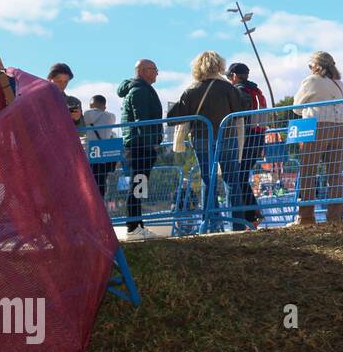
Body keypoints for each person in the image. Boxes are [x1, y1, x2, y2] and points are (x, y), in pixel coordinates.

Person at [168, 51, 247, 230]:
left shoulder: (191, 90)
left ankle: (211, 222)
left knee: (207, 179)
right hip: (227, 136)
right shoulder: (228, 88)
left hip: (201, 138)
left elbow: (173, 117)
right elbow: (241, 110)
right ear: (219, 65)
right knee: (231, 179)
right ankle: (238, 224)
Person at [292, 51, 343, 225]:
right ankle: (335, 217)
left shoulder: (312, 81)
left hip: (316, 124)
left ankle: (306, 216)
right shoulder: (338, 83)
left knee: (308, 171)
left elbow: (296, 106)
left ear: (316, 66)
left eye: (310, 66)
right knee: (335, 173)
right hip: (340, 124)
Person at [118, 59, 163, 240]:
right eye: (154, 69)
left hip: (139, 145)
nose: (157, 73)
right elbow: (141, 120)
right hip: (140, 146)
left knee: (139, 185)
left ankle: (138, 226)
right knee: (137, 184)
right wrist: (151, 142)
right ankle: (133, 227)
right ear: (143, 71)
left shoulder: (139, 89)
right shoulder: (140, 91)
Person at [227, 63, 266, 228]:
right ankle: (253, 215)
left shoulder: (240, 91)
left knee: (239, 178)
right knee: (242, 177)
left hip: (246, 140)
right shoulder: (257, 92)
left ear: (234, 76)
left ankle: (252, 216)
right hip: (258, 139)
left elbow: (240, 118)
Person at [80, 94, 119, 199]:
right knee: (101, 183)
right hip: (103, 156)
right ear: (104, 107)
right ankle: (100, 207)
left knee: (88, 184)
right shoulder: (110, 116)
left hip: (88, 155)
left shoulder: (86, 115)